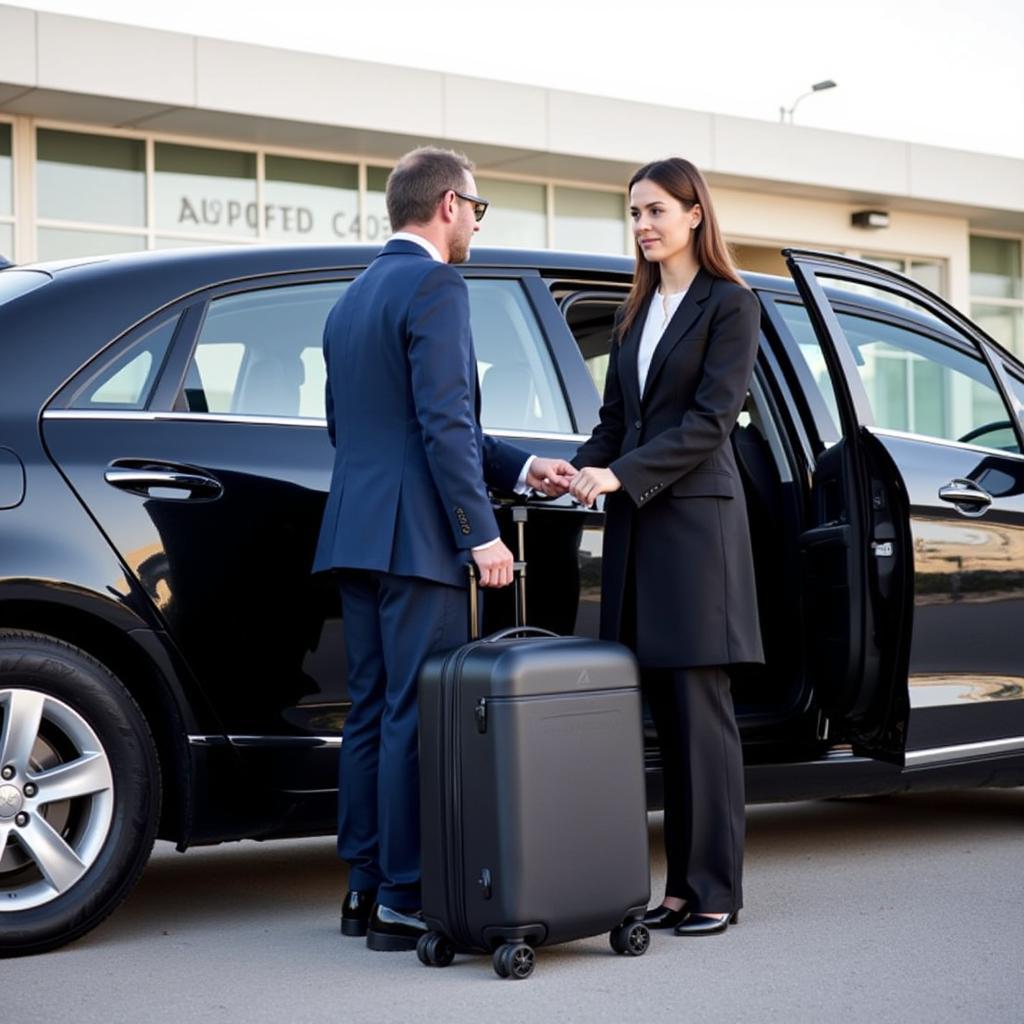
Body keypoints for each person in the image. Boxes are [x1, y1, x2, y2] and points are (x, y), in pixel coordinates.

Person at [313, 146, 576, 952]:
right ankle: (403, 896)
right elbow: (443, 423)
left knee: (369, 712)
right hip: (418, 539)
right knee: (412, 716)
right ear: (449, 205)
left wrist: (529, 467)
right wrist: (483, 534)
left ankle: (363, 889)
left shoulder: (350, 300)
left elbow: (361, 428)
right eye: (477, 210)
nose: (475, 226)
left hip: (356, 531)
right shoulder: (436, 284)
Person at [569, 157, 762, 936]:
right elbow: (619, 421)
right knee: (660, 716)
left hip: (696, 531)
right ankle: (677, 888)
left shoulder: (731, 303)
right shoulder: (635, 312)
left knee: (700, 715)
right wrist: (581, 470)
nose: (643, 226)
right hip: (638, 529)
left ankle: (714, 887)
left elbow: (709, 423)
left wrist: (619, 476)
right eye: (634, 214)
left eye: (655, 210)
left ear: (693, 215)